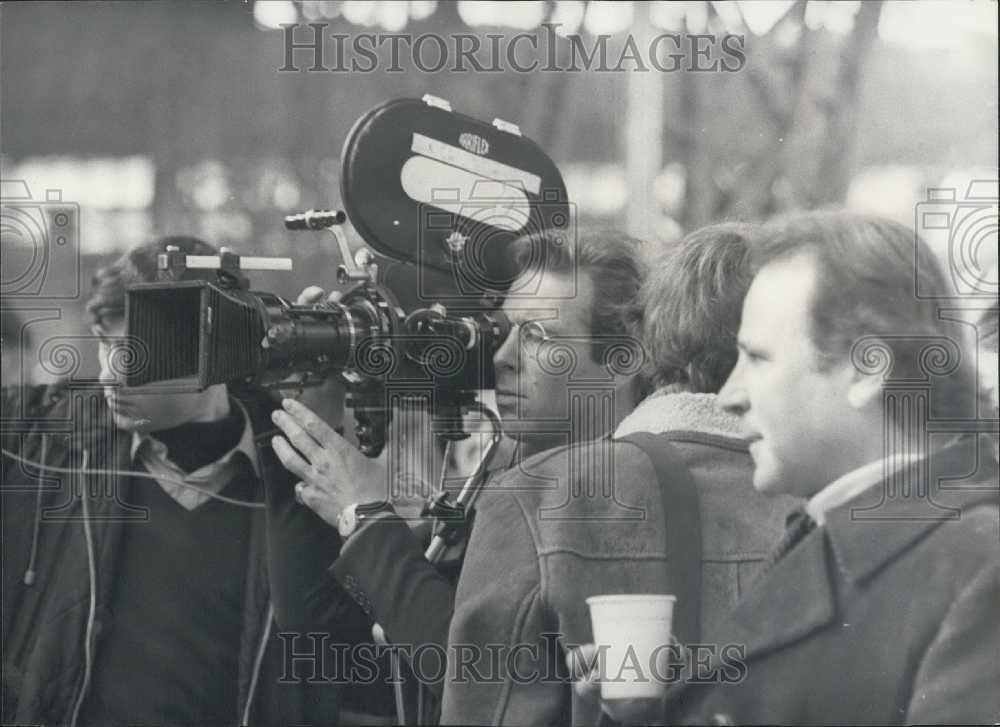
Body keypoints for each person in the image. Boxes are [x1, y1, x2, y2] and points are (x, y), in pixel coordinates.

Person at [269, 229, 650, 722]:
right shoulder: (507, 480)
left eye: (537, 335)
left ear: (622, 361)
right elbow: (322, 633)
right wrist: (312, 430)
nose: (501, 356)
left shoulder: (625, 498)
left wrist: (366, 519)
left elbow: (483, 680)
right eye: (505, 329)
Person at [647, 211, 998, 724]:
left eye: (758, 359)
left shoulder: (978, 568)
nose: (728, 396)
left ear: (866, 369)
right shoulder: (851, 531)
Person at [0, 236, 366, 725]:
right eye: (106, 345)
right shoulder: (40, 438)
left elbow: (346, 668)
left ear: (213, 352)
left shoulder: (299, 479)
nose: (110, 375)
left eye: (135, 353)